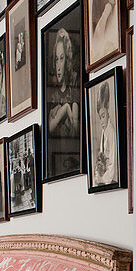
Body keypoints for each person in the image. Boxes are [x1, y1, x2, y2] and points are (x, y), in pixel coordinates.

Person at [47, 28, 80, 172]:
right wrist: (66, 108)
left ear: (67, 61)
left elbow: (76, 130)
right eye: (56, 59)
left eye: (61, 58)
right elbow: (50, 127)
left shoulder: (74, 92)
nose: (58, 66)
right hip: (56, 160)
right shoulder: (52, 97)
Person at [92, 82, 117, 186]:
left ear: (108, 113)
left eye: (103, 116)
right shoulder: (104, 131)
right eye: (100, 117)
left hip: (110, 179)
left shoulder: (111, 133)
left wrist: (102, 179)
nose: (101, 121)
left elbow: (113, 163)